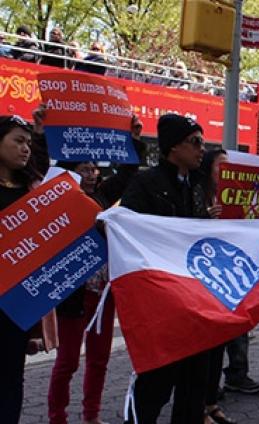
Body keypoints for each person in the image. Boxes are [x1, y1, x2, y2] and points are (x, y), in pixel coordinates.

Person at [47, 114, 144, 424]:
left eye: (93, 168)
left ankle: (91, 416)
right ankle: (57, 416)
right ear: (68, 173)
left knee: (99, 360)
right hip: (73, 298)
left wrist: (133, 138)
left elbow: (128, 173)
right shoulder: (57, 203)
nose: (91, 173)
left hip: (103, 295)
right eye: (83, 169)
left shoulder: (102, 197)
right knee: (68, 362)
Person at [120, 114, 211, 424]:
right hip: (162, 304)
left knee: (193, 386)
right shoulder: (146, 183)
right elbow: (127, 229)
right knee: (155, 385)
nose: (202, 149)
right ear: (174, 147)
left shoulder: (198, 186)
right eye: (196, 142)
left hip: (195, 302)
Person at [0, 113, 51, 424]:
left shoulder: (33, 190)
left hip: (16, 306)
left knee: (10, 381)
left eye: (29, 143)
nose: (25, 148)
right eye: (18, 141)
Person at [196, 149, 240, 424]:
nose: (226, 171)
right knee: (202, 349)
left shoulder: (233, 195)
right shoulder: (199, 193)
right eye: (220, 166)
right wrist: (205, 218)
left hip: (223, 282)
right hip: (202, 280)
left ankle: (211, 402)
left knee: (218, 347)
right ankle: (198, 406)